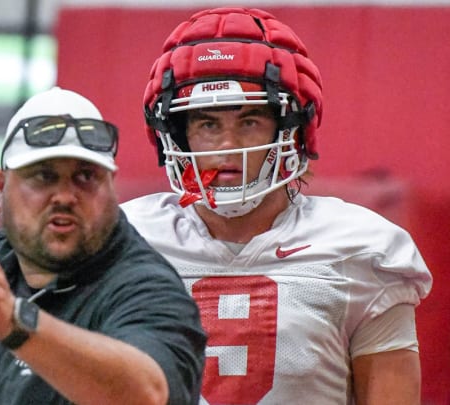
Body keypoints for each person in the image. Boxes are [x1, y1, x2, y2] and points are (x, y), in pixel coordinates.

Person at [121, 7, 433, 405]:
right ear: (177, 136)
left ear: (293, 128)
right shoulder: (127, 241)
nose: (227, 146)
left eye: (250, 120)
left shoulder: (362, 249)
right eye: (207, 124)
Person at [0, 87, 206, 404]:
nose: (65, 196)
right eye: (43, 176)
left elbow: (147, 393)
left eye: (85, 177)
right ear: (1, 188)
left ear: (111, 187)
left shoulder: (146, 289)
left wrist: (17, 324)